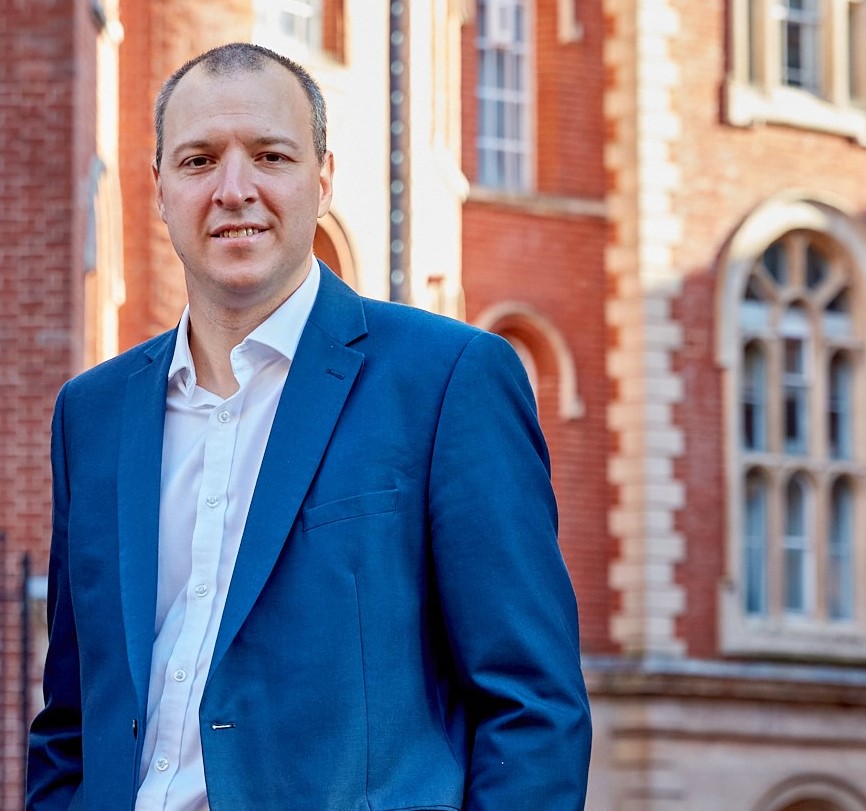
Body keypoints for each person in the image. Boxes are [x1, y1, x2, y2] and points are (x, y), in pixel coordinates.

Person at [25, 42, 591, 811]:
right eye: (198, 161)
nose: (234, 190)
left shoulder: (446, 380)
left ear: (322, 180)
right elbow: (69, 722)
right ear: (158, 188)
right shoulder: (90, 414)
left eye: (270, 156)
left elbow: (532, 709)